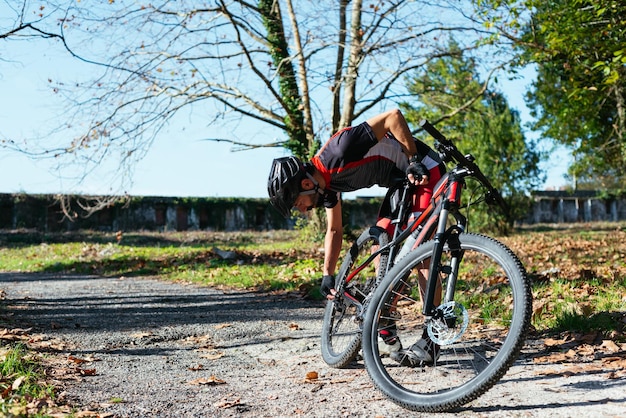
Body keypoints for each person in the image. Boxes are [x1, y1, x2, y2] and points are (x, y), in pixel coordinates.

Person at [267, 109, 446, 365]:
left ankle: (433, 337)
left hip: (425, 170)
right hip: (401, 184)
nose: (303, 210)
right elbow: (334, 230)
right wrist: (328, 274)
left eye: (298, 204)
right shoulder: (327, 186)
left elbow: (392, 117)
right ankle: (385, 322)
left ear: (306, 185)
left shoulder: (340, 149)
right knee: (379, 251)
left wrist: (414, 158)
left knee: (419, 254)